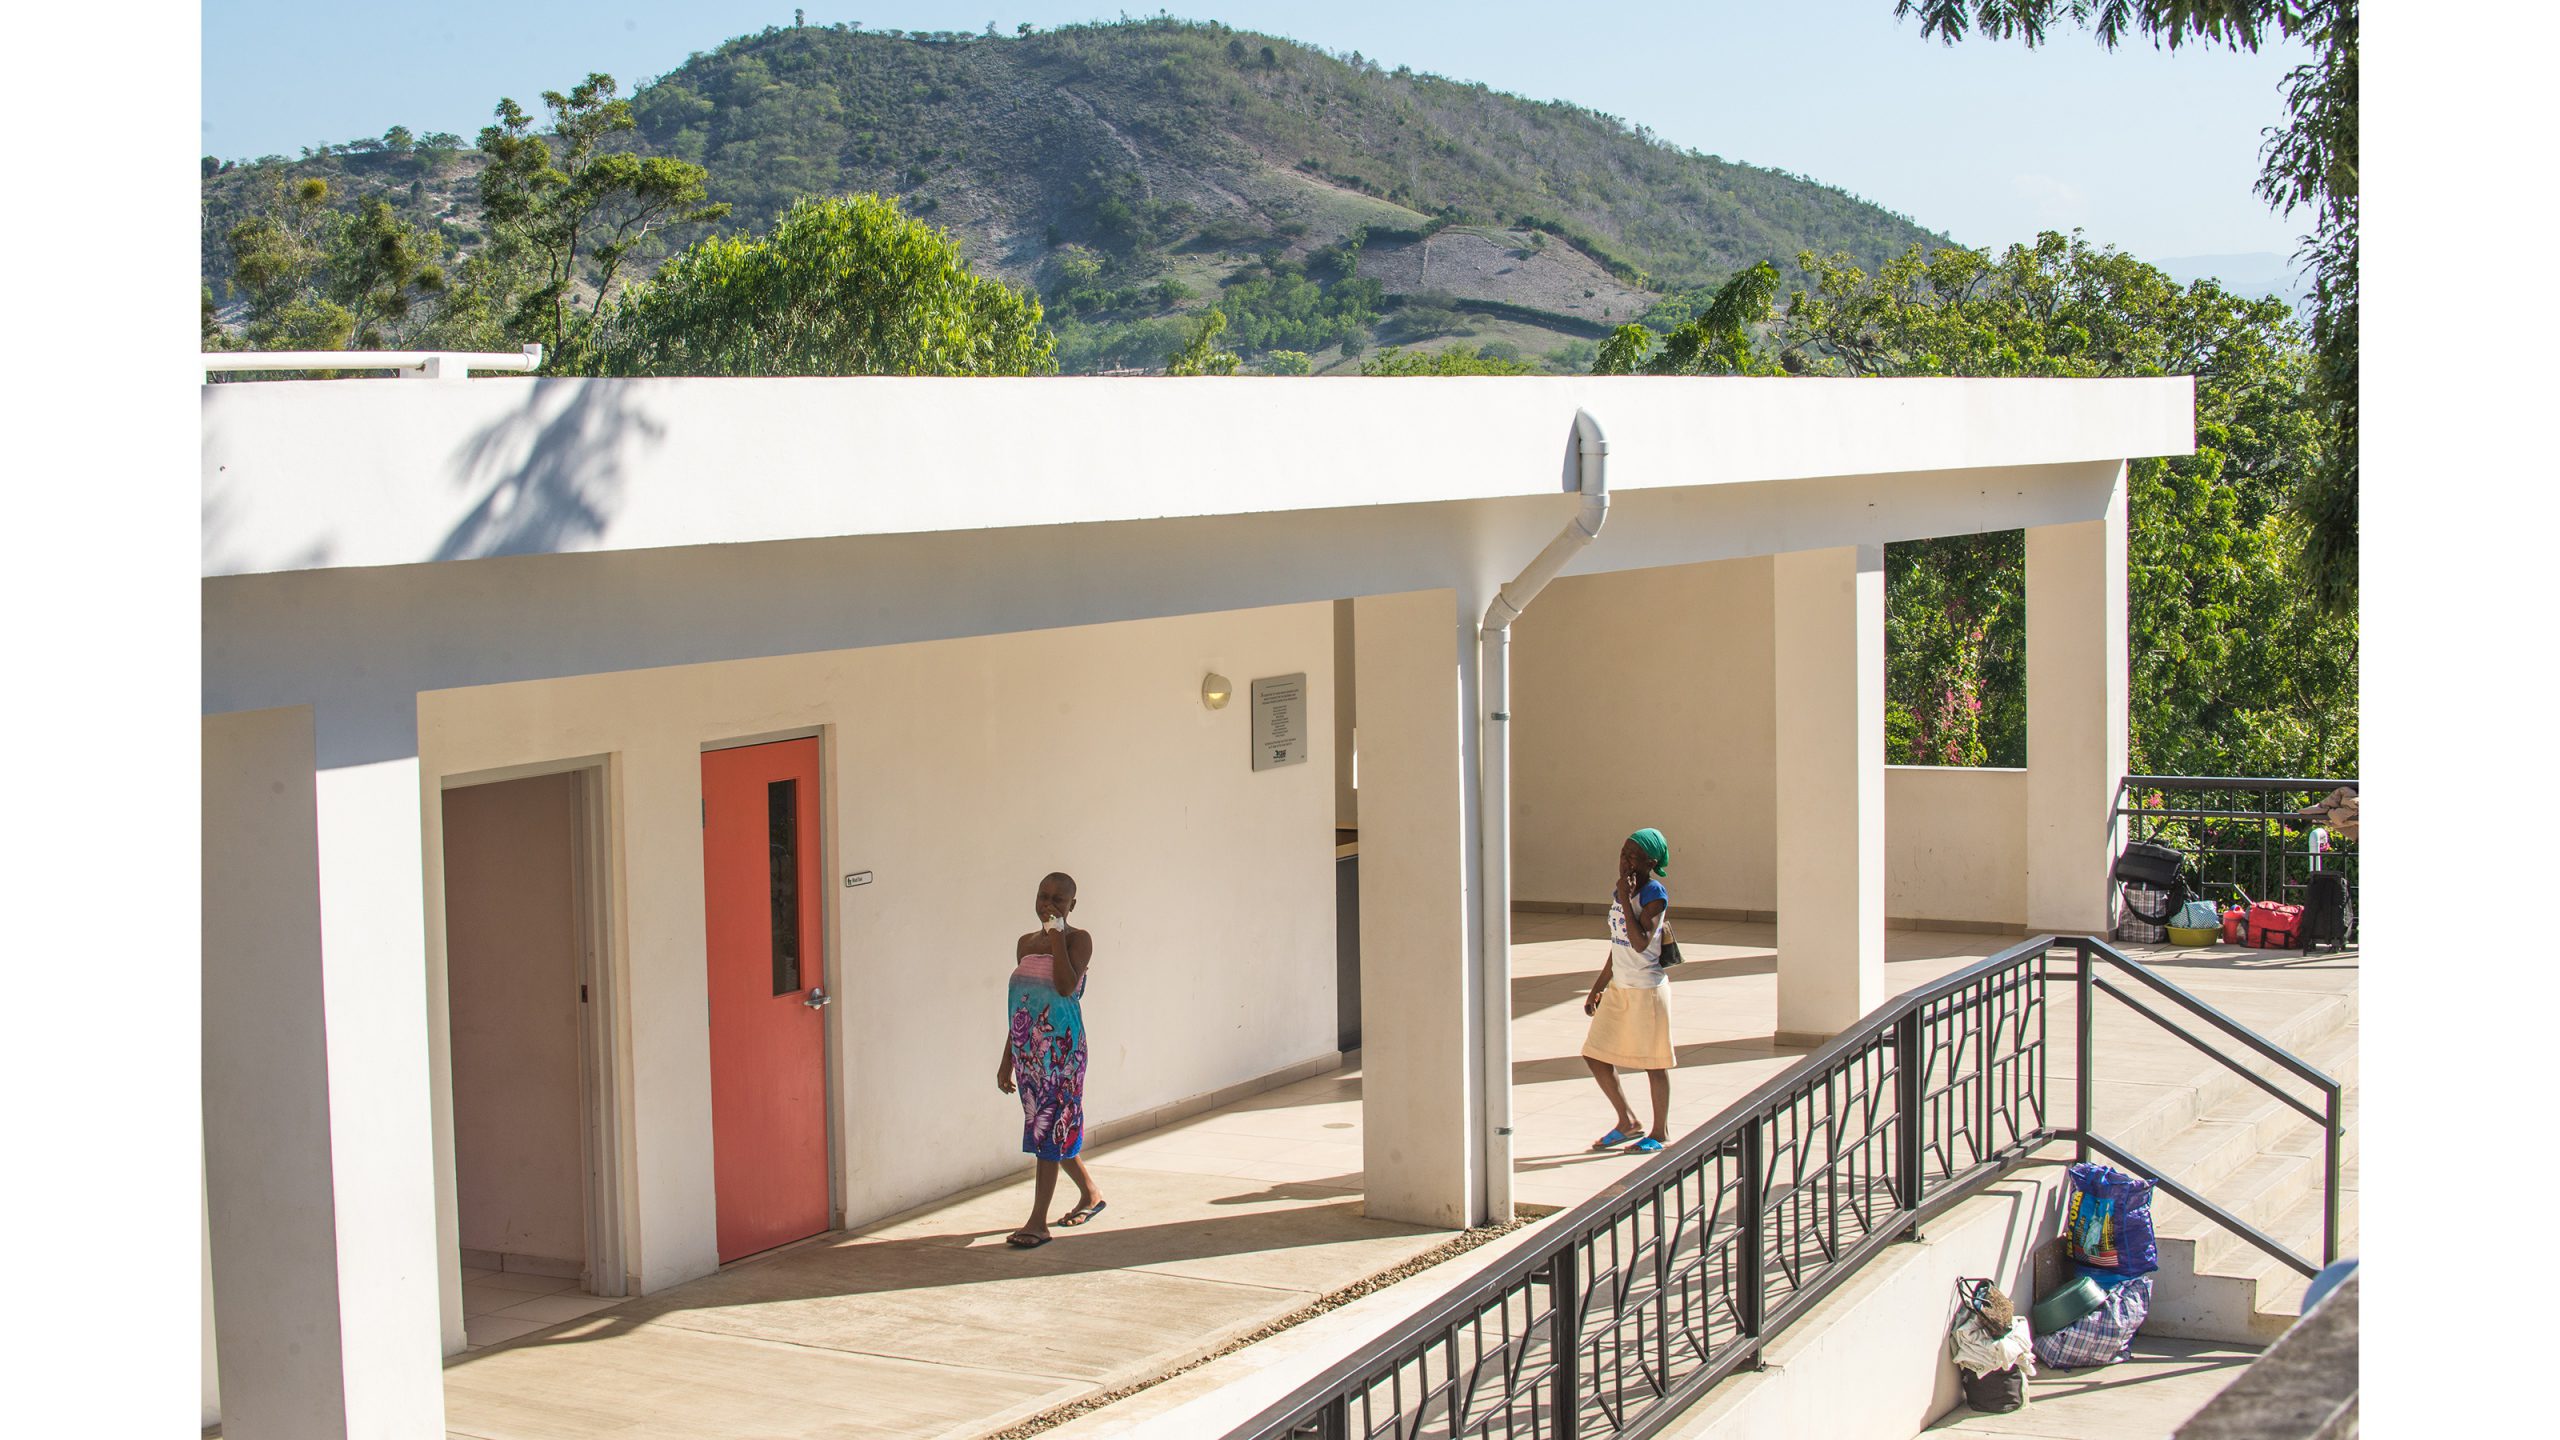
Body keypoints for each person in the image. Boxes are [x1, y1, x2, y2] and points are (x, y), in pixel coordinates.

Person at [995, 871, 1105, 1248]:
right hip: (1029, 1055)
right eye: (1044, 895)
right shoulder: (1024, 943)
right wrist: (1007, 1059)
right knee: (1051, 1130)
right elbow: (1022, 1006)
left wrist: (1057, 935)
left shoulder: (1078, 940)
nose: (1049, 903)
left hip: (1062, 1054)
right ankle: (1091, 1194)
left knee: (1047, 1131)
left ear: (1071, 906)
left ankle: (1037, 1222)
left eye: (1059, 899)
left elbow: (1063, 986)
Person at [1581, 828, 1675, 1154]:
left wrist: (1625, 897)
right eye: (1623, 853)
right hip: (1620, 987)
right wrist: (1598, 987)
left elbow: (1638, 943)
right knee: (1594, 1055)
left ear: (1650, 861)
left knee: (1654, 1063)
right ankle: (1627, 1121)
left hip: (1646, 991)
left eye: (1634, 856)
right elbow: (1617, 944)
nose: (1626, 861)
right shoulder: (1621, 890)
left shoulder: (1653, 894)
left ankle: (1659, 1132)